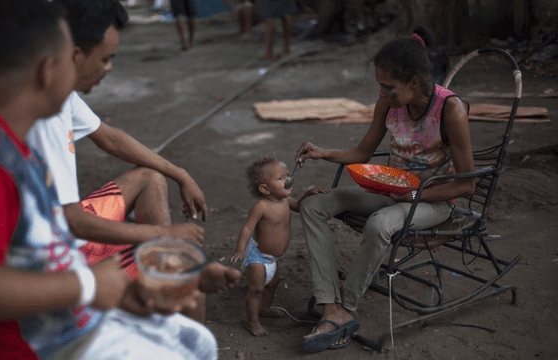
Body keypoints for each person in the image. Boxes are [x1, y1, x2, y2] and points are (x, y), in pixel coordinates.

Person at [0, 1, 239, 359]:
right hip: (39, 347)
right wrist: (88, 284)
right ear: (49, 69)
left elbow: (43, 258)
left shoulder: (12, 145)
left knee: (198, 341)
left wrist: (132, 295)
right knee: (190, 351)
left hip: (71, 326)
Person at [294, 26, 475, 353]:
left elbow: (466, 182)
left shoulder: (451, 110)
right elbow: (363, 153)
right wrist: (323, 151)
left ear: (414, 83)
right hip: (391, 190)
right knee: (313, 205)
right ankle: (329, 303)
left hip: (432, 199)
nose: (382, 94)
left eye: (388, 87)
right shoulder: (388, 104)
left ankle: (346, 309)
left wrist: (413, 196)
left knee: (380, 224)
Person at [27, 0, 209, 323]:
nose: (109, 68)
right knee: (188, 284)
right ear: (76, 54)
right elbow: (72, 222)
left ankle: (161, 277)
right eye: (106, 59)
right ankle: (167, 300)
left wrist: (179, 173)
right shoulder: (44, 117)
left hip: (62, 228)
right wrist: (160, 237)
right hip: (56, 256)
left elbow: (110, 137)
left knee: (151, 176)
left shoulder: (59, 91)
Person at [230, 154, 328, 337]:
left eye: (288, 175)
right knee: (256, 290)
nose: (288, 180)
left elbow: (298, 206)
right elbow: (247, 229)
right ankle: (252, 323)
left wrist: (309, 193)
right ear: (265, 188)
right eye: (281, 178)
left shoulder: (284, 200)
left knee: (273, 284)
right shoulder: (261, 206)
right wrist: (240, 250)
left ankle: (265, 309)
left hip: (273, 258)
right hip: (257, 257)